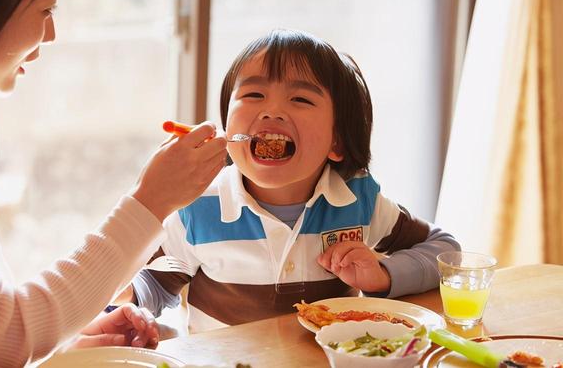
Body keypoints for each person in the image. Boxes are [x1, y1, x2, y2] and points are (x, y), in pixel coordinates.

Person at [0, 0, 227, 366]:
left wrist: (64, 340)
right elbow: (5, 335)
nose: (51, 34)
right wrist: (150, 202)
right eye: (46, 9)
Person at [116, 29, 461, 333]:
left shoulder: (357, 200)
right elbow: (152, 287)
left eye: (300, 99)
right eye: (253, 96)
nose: (272, 111)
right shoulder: (199, 207)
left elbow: (445, 251)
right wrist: (129, 311)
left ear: (337, 142)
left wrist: (384, 275)